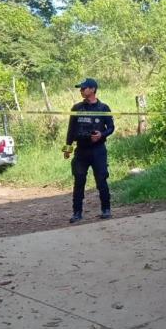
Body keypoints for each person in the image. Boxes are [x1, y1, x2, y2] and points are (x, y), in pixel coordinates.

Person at [64, 78, 115, 223]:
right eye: (80, 88)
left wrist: (101, 135)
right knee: (79, 181)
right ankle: (77, 213)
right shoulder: (76, 108)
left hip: (98, 150)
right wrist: (67, 148)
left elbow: (111, 127)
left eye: (83, 88)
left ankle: (106, 210)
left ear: (92, 89)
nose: (81, 90)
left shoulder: (103, 108)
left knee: (101, 180)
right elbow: (71, 130)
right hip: (81, 151)